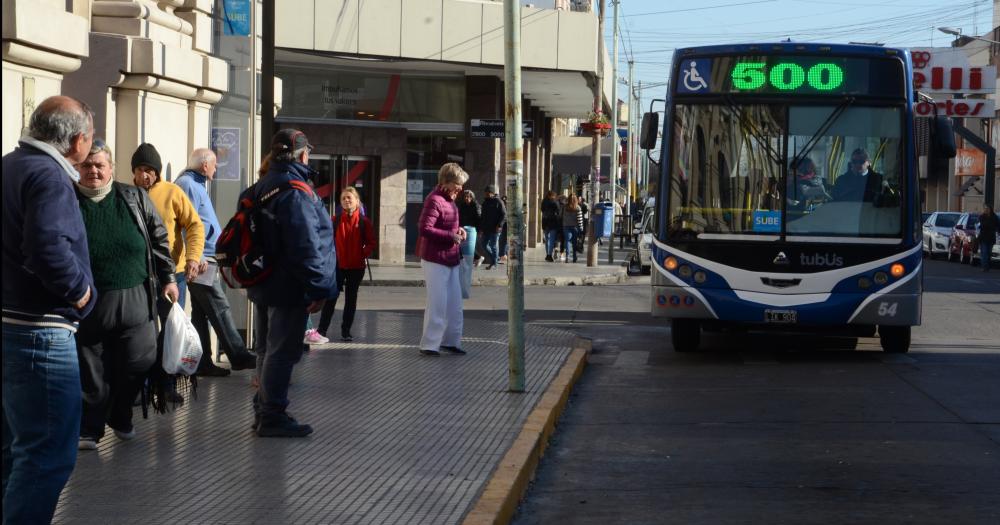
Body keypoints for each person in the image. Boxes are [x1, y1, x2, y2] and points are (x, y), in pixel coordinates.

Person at [2, 95, 96, 524]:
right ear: (77, 140)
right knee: (47, 455)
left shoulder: (9, 165)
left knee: (15, 451)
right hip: (38, 332)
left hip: (12, 324)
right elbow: (47, 249)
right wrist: (80, 293)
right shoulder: (49, 177)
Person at [73, 139, 178, 450]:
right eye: (87, 165)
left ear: (111, 169)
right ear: (77, 168)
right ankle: (90, 429)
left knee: (141, 359)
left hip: (135, 296)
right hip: (88, 299)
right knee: (90, 369)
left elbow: (159, 239)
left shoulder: (133, 197)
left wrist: (169, 278)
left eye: (99, 165)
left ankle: (120, 414)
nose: (93, 170)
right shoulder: (67, 199)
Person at [247, 129, 336, 437]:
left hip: (264, 281)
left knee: (265, 349)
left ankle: (263, 409)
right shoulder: (296, 191)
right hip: (288, 285)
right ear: (303, 155)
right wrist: (319, 288)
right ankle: (272, 415)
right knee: (281, 352)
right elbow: (306, 245)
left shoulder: (263, 185)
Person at [175, 148, 257, 375]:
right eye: (214, 164)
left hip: (204, 257)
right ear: (204, 166)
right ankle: (238, 356)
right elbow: (185, 223)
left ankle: (203, 363)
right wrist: (197, 256)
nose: (215, 168)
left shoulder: (194, 183)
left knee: (202, 312)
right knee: (219, 306)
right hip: (201, 260)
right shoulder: (189, 184)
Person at [131, 143, 205, 310]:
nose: (144, 175)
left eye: (149, 170)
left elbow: (195, 225)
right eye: (139, 169)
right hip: (138, 274)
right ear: (133, 172)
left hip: (172, 274)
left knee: (171, 328)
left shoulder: (173, 192)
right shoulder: (127, 194)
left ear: (157, 172)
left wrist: (193, 257)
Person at [416, 163, 469, 357]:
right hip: (435, 259)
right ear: (446, 182)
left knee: (454, 304)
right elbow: (424, 229)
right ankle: (430, 344)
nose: (460, 188)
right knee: (437, 302)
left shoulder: (449, 199)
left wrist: (459, 230)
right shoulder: (435, 200)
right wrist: (450, 236)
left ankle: (450, 341)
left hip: (450, 257)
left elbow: (447, 224)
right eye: (457, 183)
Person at [317, 187, 376, 342]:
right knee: (330, 299)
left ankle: (346, 331)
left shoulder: (364, 222)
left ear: (357, 200)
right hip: (337, 267)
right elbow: (326, 240)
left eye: (349, 197)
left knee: (351, 300)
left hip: (356, 268)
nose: (346, 200)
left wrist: (362, 254)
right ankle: (321, 330)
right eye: (343, 198)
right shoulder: (335, 220)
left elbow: (371, 242)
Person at [479, 184, 506, 269]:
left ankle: (494, 263)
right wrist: (481, 229)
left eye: (488, 192)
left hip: (495, 228)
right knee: (483, 244)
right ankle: (495, 258)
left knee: (493, 246)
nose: (486, 194)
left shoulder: (498, 202)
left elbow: (504, 215)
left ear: (493, 193)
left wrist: (499, 225)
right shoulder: (485, 202)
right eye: (485, 193)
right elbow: (483, 217)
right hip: (486, 229)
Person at [562, 194, 584, 263]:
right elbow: (580, 220)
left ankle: (567, 257)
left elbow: (561, 215)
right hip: (575, 227)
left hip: (566, 226)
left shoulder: (565, 207)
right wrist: (581, 229)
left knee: (567, 241)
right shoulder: (578, 208)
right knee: (574, 242)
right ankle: (574, 257)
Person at [541, 190, 562, 262]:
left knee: (547, 239)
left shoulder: (544, 201)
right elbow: (559, 212)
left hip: (545, 222)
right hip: (553, 222)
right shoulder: (555, 202)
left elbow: (542, 210)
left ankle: (548, 254)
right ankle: (549, 254)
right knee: (552, 239)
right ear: (552, 195)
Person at [978, 205, 999, 272]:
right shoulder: (982, 216)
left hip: (991, 238)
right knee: (984, 253)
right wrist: (990, 225)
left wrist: (996, 230)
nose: (986, 210)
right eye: (985, 209)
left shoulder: (995, 217)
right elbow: (983, 225)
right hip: (983, 237)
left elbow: (998, 225)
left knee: (989, 253)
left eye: (988, 208)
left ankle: (987, 266)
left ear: (990, 209)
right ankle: (984, 267)